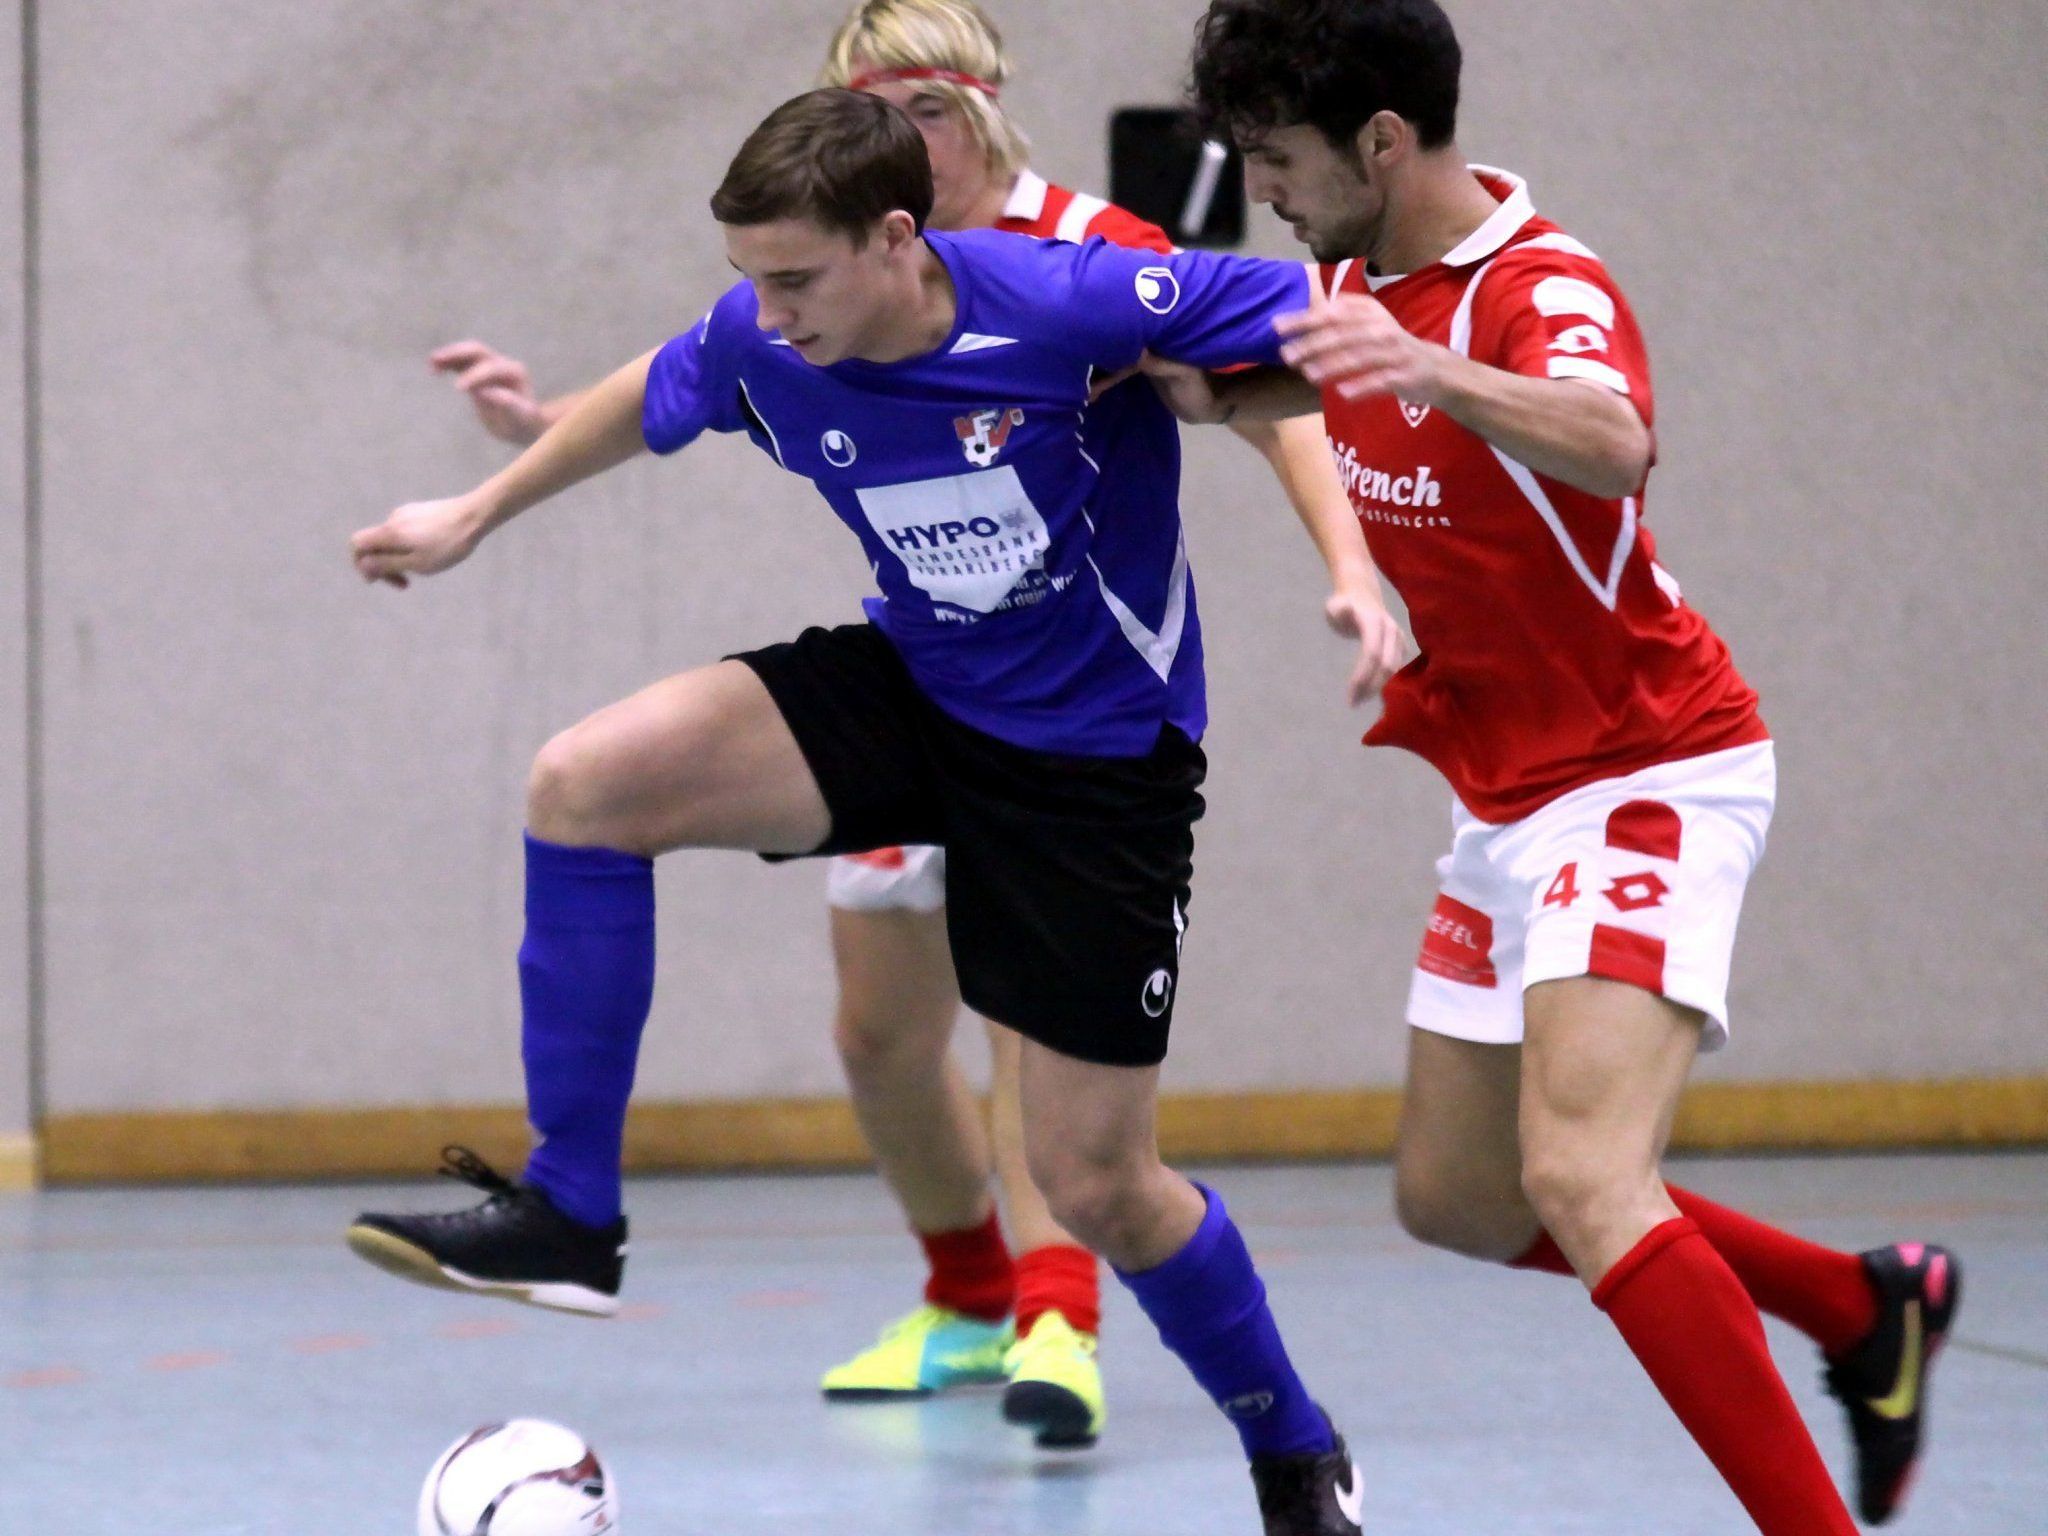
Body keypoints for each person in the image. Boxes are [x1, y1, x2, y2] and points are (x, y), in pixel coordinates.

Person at [349, 86, 1378, 1535]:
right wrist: (474, 510)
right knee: (587, 783)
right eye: (745, 281)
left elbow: (1349, 325)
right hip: (918, 688)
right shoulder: (763, 340)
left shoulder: (1072, 303)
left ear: (899, 238)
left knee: (1099, 1183)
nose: (762, 316)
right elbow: (651, 391)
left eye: (792, 279)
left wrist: (1273, 407)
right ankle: (571, 1211)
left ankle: (1291, 1446)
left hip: (1093, 762)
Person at [1167, 2, 1959, 1529]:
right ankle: (1861, 1312)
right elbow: (1269, 385)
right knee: (1458, 1198)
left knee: (1591, 1181)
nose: (1262, 188)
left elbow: (1611, 437)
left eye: (1277, 159)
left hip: (1649, 769)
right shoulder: (1348, 277)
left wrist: (1431, 367)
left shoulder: (1541, 282)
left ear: (1381, 144)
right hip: (1508, 798)